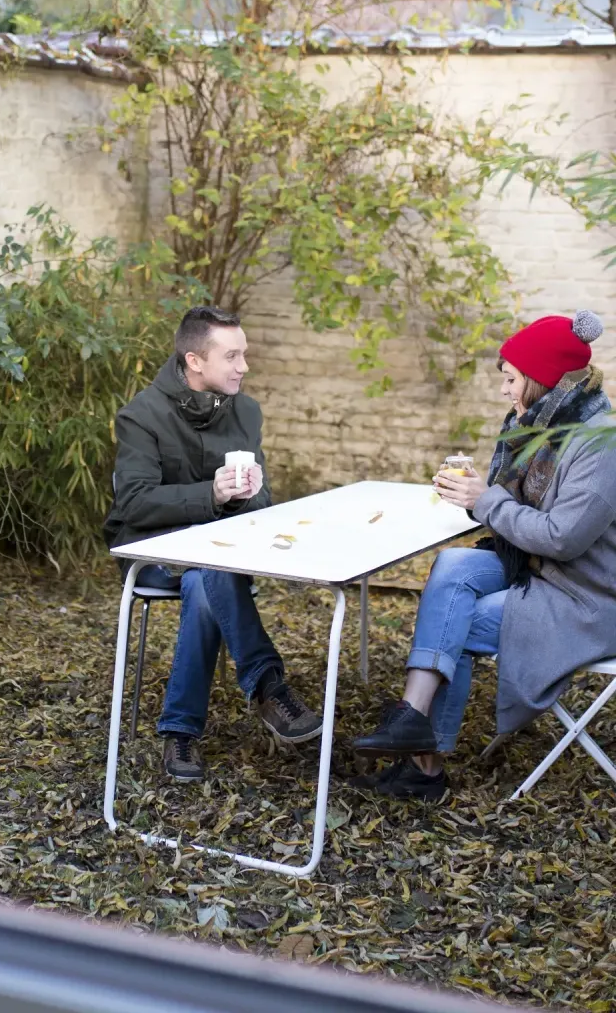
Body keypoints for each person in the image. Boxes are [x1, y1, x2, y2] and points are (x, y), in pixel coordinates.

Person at [349, 309, 616, 800]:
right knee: (453, 565)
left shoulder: (600, 443)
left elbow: (562, 538)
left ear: (543, 379)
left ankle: (425, 768)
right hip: (541, 569)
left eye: (510, 379)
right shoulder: (536, 424)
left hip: (586, 596)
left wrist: (484, 500)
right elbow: (515, 510)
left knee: (463, 621)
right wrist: (474, 495)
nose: (503, 390)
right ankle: (412, 717)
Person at [104, 305, 323, 782]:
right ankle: (266, 685)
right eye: (232, 356)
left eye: (244, 354)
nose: (243, 366)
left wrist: (250, 493)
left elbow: (262, 500)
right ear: (194, 361)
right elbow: (134, 504)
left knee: (208, 578)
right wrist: (211, 494)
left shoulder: (245, 410)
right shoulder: (141, 416)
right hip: (152, 550)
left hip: (219, 552)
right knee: (209, 574)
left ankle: (180, 730)